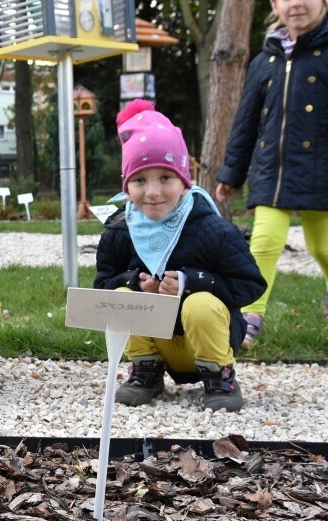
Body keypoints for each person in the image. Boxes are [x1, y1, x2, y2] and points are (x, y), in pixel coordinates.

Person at [95, 99, 266, 412]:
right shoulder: (120, 230)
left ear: (185, 182)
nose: (152, 192)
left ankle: (219, 375)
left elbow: (251, 284)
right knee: (123, 296)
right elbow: (102, 285)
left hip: (205, 337)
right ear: (126, 185)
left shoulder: (212, 228)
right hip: (155, 341)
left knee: (201, 304)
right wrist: (133, 282)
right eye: (139, 180)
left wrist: (192, 283)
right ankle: (146, 371)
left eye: (166, 178)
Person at [216, 0, 328, 347]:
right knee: (264, 241)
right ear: (274, 5)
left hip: (322, 170)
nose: (296, 3)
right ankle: (251, 314)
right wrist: (231, 172)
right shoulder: (264, 61)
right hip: (272, 170)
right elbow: (245, 122)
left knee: (323, 246)